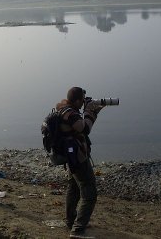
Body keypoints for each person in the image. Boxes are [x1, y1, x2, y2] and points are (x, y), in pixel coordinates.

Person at [55, 87, 103, 239]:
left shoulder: (64, 109)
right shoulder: (69, 112)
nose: (83, 102)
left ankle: (71, 221)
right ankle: (77, 230)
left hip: (71, 157)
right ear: (76, 100)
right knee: (89, 194)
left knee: (74, 188)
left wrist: (92, 113)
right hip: (77, 158)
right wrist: (90, 111)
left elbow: (82, 127)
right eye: (82, 100)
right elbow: (84, 128)